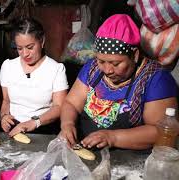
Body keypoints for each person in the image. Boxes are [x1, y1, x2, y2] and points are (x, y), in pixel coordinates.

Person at [60, 14, 178, 150]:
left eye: (115, 63)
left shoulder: (157, 79)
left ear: (135, 55)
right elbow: (71, 104)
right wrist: (67, 124)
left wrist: (112, 137)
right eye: (101, 61)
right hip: (85, 150)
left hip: (127, 159)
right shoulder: (92, 68)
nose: (107, 70)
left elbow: (159, 131)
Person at [0, 18, 68, 136]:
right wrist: (4, 116)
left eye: (30, 47)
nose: (25, 54)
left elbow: (59, 106)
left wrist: (35, 122)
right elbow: (6, 100)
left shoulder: (56, 69)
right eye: (19, 48)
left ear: (42, 42)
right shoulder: (8, 66)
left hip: (43, 129)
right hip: (14, 129)